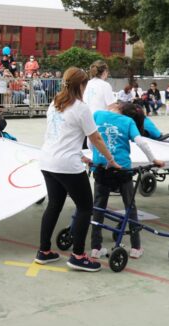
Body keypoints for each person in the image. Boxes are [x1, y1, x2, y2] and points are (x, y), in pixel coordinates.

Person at [35, 67, 119, 272]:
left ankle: (44, 251)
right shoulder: (81, 108)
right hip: (67, 165)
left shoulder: (55, 103)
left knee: (54, 204)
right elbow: (95, 137)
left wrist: (79, 154)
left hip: (47, 160)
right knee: (85, 207)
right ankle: (78, 255)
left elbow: (58, 134)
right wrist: (110, 159)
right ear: (82, 85)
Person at [89, 102, 164, 260]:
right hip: (122, 170)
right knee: (130, 206)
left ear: (118, 106)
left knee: (98, 207)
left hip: (101, 168)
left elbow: (91, 139)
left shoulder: (97, 114)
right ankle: (136, 247)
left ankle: (96, 247)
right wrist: (154, 159)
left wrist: (95, 154)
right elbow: (141, 142)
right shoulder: (128, 122)